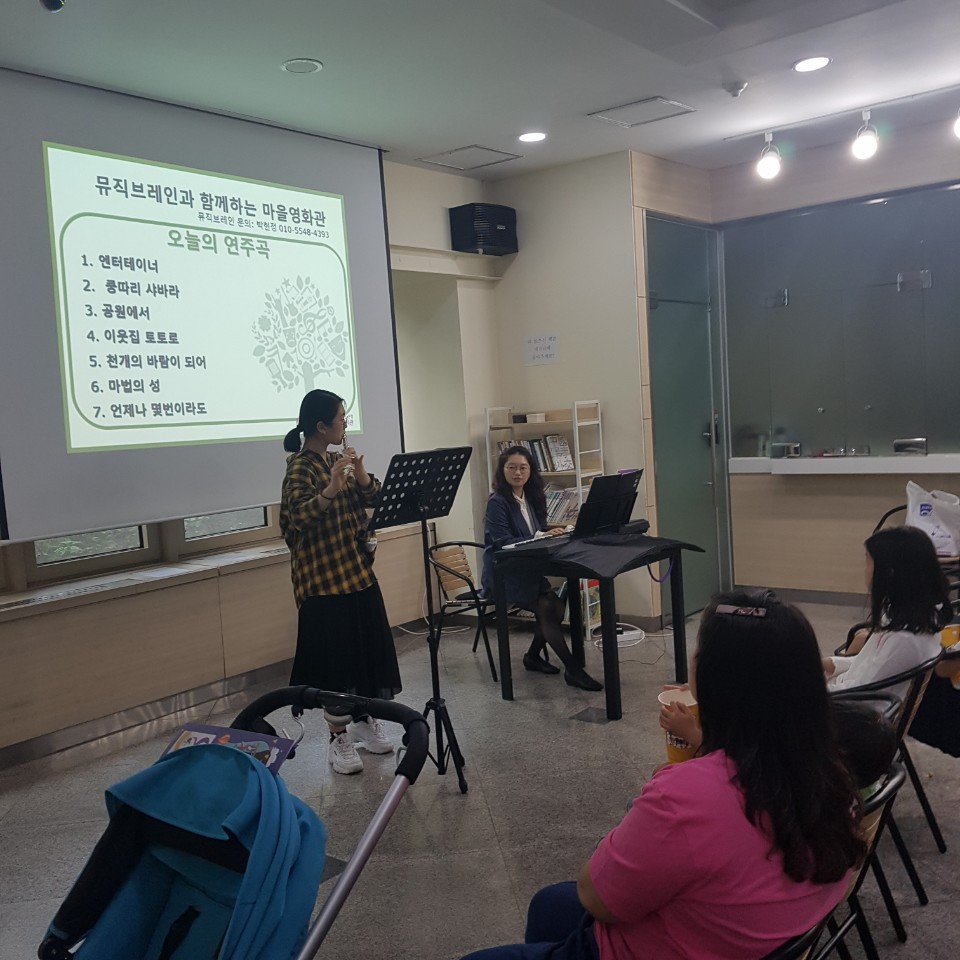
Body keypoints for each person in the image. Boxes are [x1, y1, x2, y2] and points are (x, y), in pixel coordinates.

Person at [464, 591, 864, 960]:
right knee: (549, 905)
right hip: (752, 939)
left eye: (699, 651)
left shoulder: (687, 796)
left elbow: (595, 897)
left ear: (715, 681)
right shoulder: (834, 774)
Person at [280, 389, 401, 775]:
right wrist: (332, 487)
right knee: (335, 664)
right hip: (323, 582)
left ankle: (364, 720)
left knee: (365, 654)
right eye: (340, 419)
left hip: (357, 573)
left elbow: (375, 499)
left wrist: (360, 474)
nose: (345, 424)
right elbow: (299, 518)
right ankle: (337, 739)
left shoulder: (337, 460)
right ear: (320, 426)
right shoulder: (300, 468)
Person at [481, 446, 602, 692]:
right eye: (511, 467)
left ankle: (533, 656)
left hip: (527, 569)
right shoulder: (497, 502)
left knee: (556, 607)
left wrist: (551, 532)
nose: (517, 473)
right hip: (504, 572)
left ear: (530, 471)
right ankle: (573, 669)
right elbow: (503, 542)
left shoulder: (532, 497)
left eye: (523, 468)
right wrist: (540, 536)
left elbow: (535, 531)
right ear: (502, 471)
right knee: (548, 607)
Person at [823, 526, 951, 692]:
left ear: (889, 573)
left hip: (853, 703)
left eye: (868, 561)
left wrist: (815, 690)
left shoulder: (904, 638)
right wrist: (832, 664)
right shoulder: (908, 614)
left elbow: (863, 692)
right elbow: (869, 664)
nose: (865, 569)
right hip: (849, 692)